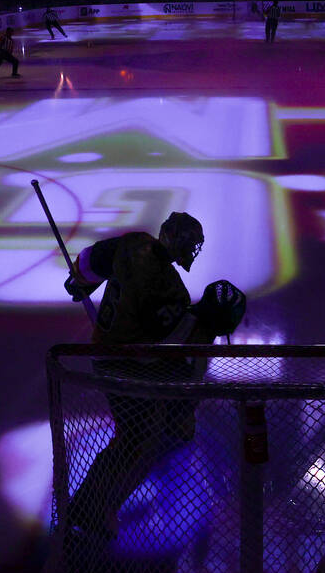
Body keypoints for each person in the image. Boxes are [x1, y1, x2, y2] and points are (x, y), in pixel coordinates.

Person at [60, 213, 247, 546]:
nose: (192, 249)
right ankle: (90, 509)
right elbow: (176, 362)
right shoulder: (174, 295)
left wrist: (81, 279)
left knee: (136, 439)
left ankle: (92, 507)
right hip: (127, 368)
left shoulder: (134, 244)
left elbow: (94, 259)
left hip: (106, 353)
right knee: (138, 440)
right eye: (190, 242)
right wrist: (181, 419)